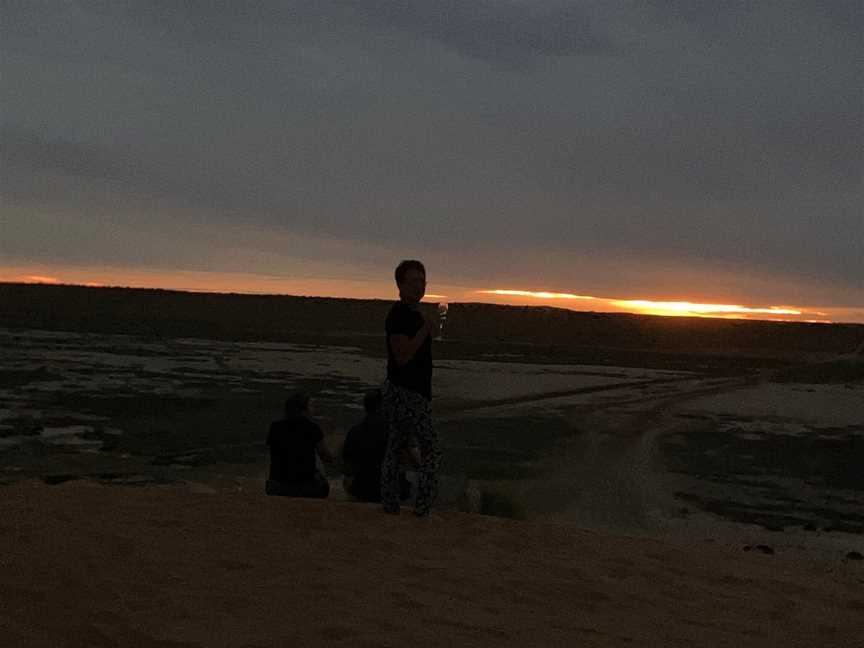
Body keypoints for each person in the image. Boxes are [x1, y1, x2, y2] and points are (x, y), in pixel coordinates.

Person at [380, 259, 442, 516]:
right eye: (414, 281)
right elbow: (402, 356)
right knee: (430, 449)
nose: (419, 286)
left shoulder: (416, 314)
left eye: (422, 280)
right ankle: (422, 506)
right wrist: (425, 329)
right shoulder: (398, 316)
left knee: (397, 446)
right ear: (400, 285)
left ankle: (391, 504)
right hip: (406, 393)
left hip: (414, 392)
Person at [341, 388, 416, 502]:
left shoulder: (354, 431)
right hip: (389, 489)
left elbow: (347, 467)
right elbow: (412, 461)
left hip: (362, 489)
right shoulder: (395, 432)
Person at [265, 391, 334, 498]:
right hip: (307, 488)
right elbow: (326, 457)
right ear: (304, 410)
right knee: (317, 459)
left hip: (276, 486)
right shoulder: (312, 428)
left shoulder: (275, 427)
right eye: (311, 406)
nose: (313, 409)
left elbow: (273, 452)